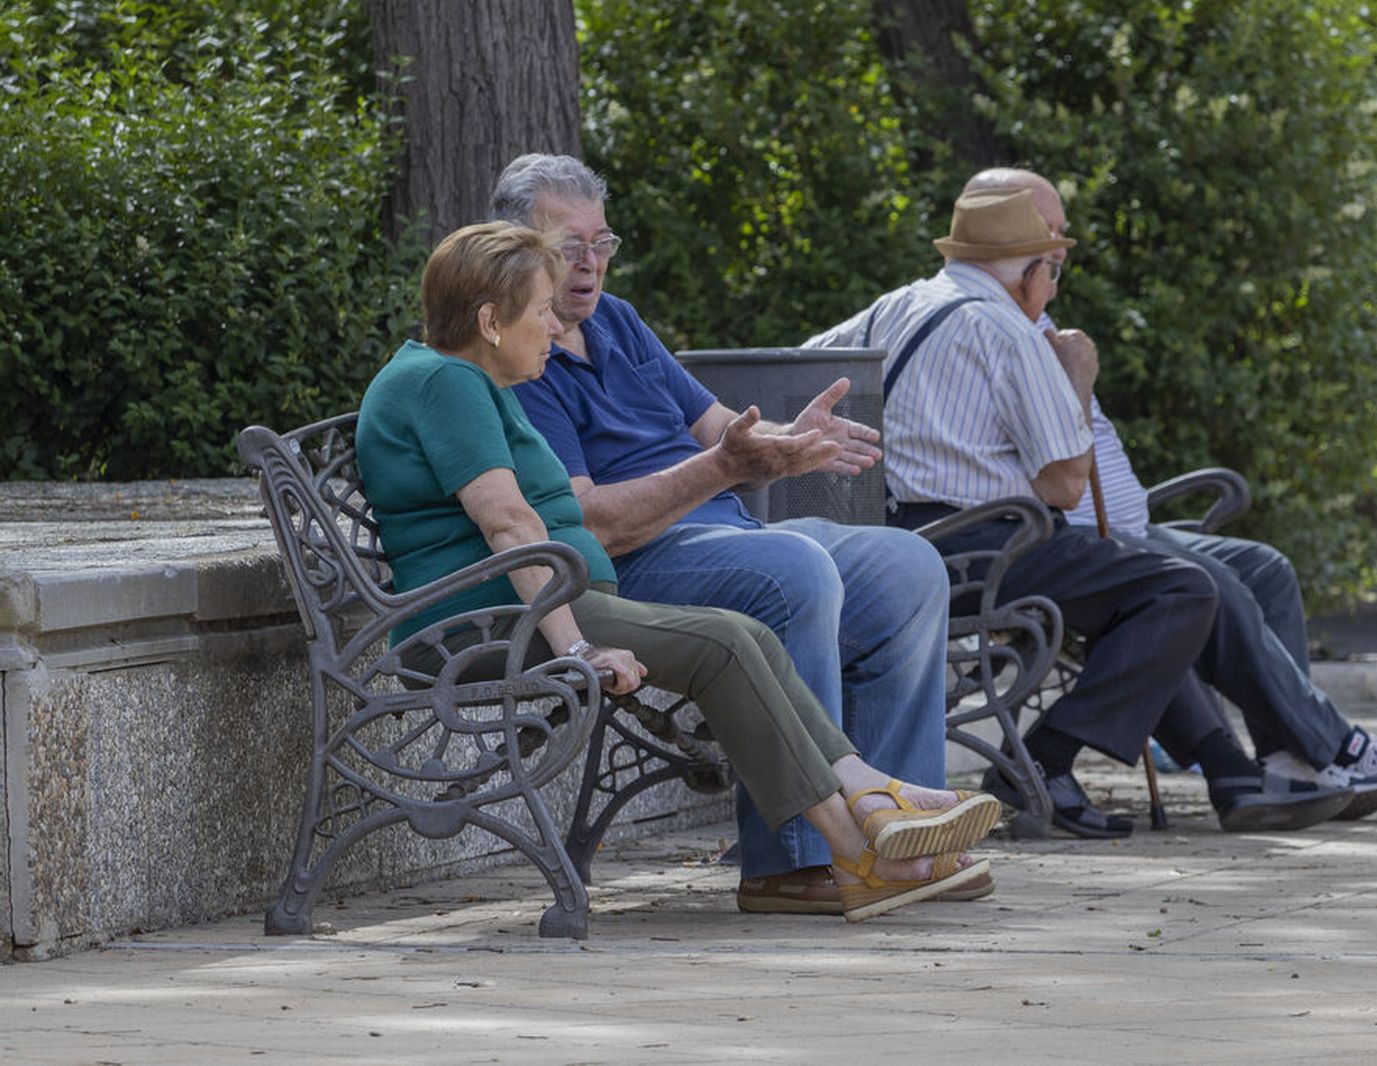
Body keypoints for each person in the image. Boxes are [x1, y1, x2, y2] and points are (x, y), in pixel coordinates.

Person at [354, 221, 999, 922]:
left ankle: (870, 799)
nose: (551, 326)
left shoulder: (471, 380)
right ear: (489, 321)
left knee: (738, 636)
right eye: (539, 312)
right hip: (489, 622)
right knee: (724, 644)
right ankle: (860, 845)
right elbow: (508, 523)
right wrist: (577, 649)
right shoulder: (445, 383)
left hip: (532, 605)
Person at [809, 171, 1377, 825]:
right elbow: (1063, 485)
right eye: (1054, 272)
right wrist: (1078, 382)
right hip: (994, 545)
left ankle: (1264, 764)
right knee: (1181, 589)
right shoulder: (1008, 331)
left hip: (913, 544)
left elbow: (801, 364)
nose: (1054, 289)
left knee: (1186, 578)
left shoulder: (899, 306)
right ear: (1030, 273)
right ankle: (1041, 760)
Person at [489, 154, 967, 914]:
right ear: (516, 249)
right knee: (795, 570)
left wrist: (787, 441)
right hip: (640, 566)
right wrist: (722, 469)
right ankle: (798, 863)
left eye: (600, 243)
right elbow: (592, 523)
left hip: (725, 532)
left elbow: (717, 430)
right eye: (564, 246)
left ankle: (904, 833)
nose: (588, 266)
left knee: (908, 566)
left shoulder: (618, 322)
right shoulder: (520, 354)